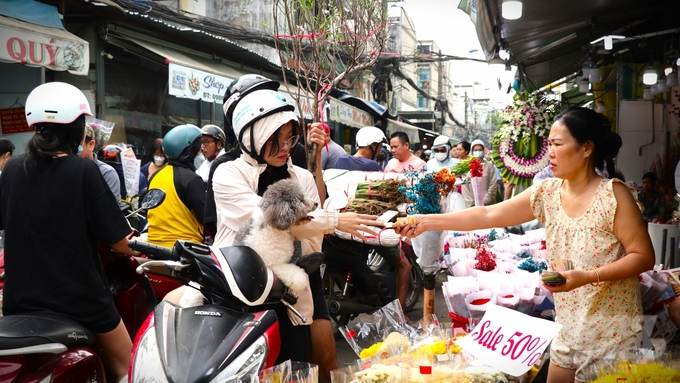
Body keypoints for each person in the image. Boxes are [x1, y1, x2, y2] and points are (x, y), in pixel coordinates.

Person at [396, 106, 655, 383]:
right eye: (549, 145)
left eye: (557, 144)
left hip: (611, 331)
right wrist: (427, 221)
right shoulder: (548, 192)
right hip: (568, 327)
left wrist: (589, 277)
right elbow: (489, 214)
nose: (550, 153)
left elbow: (643, 256)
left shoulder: (613, 195)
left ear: (587, 148)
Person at [210, 89, 381, 381]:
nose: (285, 147)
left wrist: (322, 217)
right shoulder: (228, 174)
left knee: (302, 369)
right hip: (245, 291)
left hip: (295, 288)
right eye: (276, 138)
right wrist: (333, 221)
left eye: (290, 138)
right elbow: (268, 218)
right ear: (252, 136)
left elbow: (311, 236)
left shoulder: (300, 176)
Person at [0, 82, 138, 382]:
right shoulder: (84, 170)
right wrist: (140, 246)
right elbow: (120, 241)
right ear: (76, 130)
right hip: (80, 302)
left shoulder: (12, 169)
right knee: (129, 369)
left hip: (18, 303)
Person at [332, 126, 412, 312]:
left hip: (341, 221)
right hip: (369, 225)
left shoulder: (340, 160)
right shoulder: (373, 168)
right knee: (404, 266)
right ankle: (401, 315)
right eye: (379, 146)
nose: (381, 151)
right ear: (372, 146)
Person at [147, 124, 207, 248]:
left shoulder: (156, 175)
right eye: (199, 150)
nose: (202, 155)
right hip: (184, 248)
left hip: (153, 245)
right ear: (188, 152)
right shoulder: (192, 179)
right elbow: (207, 218)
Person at [80, 123, 120, 199]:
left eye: (78, 144)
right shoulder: (66, 169)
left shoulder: (106, 174)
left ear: (91, 145)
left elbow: (108, 208)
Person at [461, 139, 498, 207]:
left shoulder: (489, 165)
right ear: (472, 151)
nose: (478, 152)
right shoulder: (467, 167)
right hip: (472, 207)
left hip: (488, 205)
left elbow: (493, 184)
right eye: (475, 150)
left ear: (483, 151)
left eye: (480, 150)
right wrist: (472, 204)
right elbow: (465, 188)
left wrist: (484, 201)